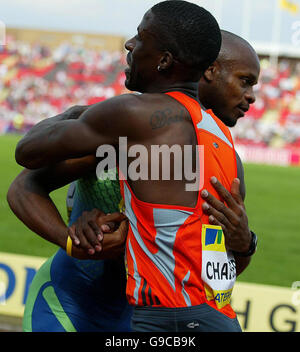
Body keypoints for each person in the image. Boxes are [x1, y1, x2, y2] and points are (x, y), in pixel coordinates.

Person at [11, 1, 259, 332]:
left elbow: (218, 268)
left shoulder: (225, 154)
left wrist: (243, 242)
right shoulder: (124, 130)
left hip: (148, 317)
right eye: (244, 80)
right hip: (73, 307)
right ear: (208, 69)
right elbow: (24, 185)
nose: (251, 95)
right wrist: (72, 239)